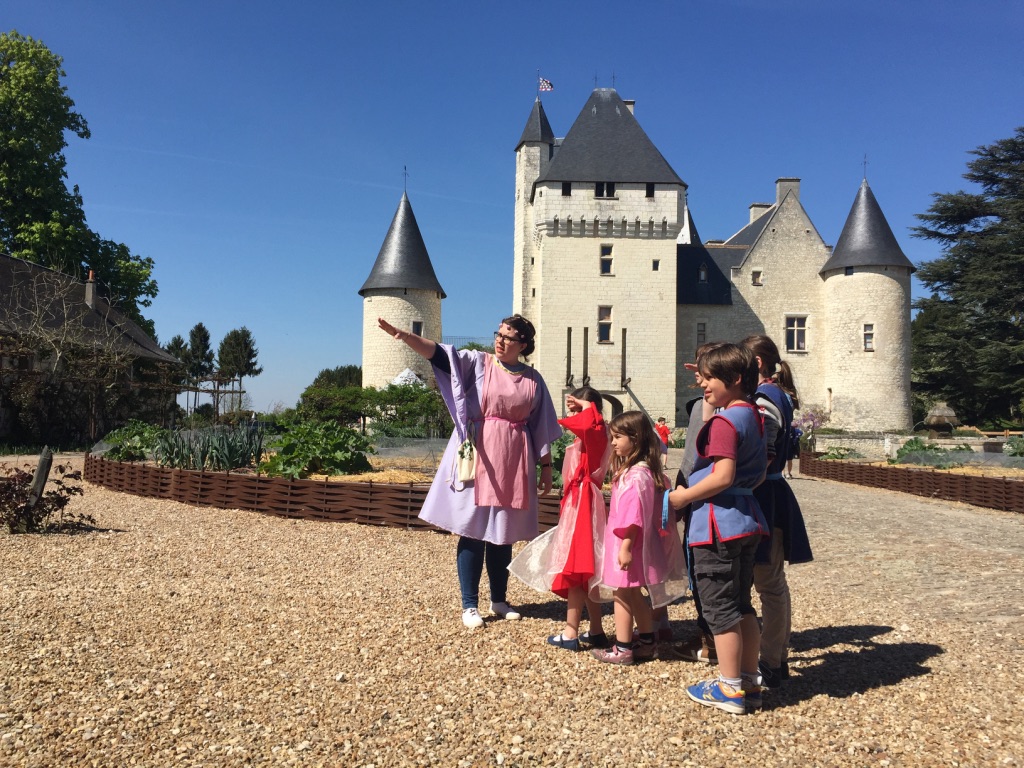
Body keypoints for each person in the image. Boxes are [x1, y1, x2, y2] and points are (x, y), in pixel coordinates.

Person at [378, 315, 562, 629]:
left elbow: (541, 425)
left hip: (513, 458)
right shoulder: (478, 363)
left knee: (503, 533)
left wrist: (546, 468)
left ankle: (499, 599)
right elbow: (439, 354)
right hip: (478, 453)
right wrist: (406, 336)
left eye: (508, 338)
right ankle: (469, 605)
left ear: (524, 345)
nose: (500, 341)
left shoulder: (533, 380)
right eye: (499, 334)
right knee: (473, 529)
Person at [668, 343, 768, 714]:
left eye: (709, 378)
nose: (703, 385)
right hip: (746, 519)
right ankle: (748, 680)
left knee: (719, 610)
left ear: (735, 379)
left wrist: (682, 498)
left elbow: (722, 476)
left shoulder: (725, 421)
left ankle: (729, 689)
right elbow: (755, 475)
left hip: (717, 527)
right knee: (742, 605)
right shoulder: (753, 415)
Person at [508, 387, 611, 650]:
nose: (574, 412)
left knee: (576, 568)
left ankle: (570, 632)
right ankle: (596, 630)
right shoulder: (588, 435)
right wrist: (585, 408)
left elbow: (590, 425)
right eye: (573, 408)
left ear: (594, 410)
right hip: (578, 504)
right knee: (585, 569)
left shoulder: (597, 430)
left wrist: (588, 408)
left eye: (580, 408)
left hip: (583, 505)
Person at [742, 334, 814, 689]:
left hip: (765, 493)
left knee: (768, 582)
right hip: (771, 491)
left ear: (755, 364)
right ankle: (775, 656)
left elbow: (765, 453)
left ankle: (772, 659)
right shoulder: (776, 394)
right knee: (771, 583)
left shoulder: (766, 397)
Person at [591, 411, 687, 665]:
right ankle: (647, 640)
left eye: (617, 437)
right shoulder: (649, 473)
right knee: (634, 595)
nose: (612, 443)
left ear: (635, 439)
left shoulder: (635, 477)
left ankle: (622, 647)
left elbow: (632, 519)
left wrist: (626, 547)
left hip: (629, 545)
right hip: (638, 545)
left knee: (622, 595)